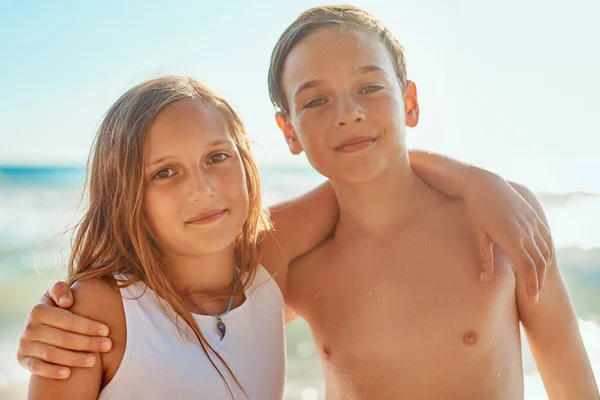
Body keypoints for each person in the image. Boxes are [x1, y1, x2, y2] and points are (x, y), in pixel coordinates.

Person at [18, 6, 572, 400]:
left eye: (370, 88)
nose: (348, 114)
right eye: (316, 100)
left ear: (409, 101)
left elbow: (573, 383)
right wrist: (52, 325)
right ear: (289, 133)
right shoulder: (285, 267)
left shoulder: (502, 222)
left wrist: (482, 184)